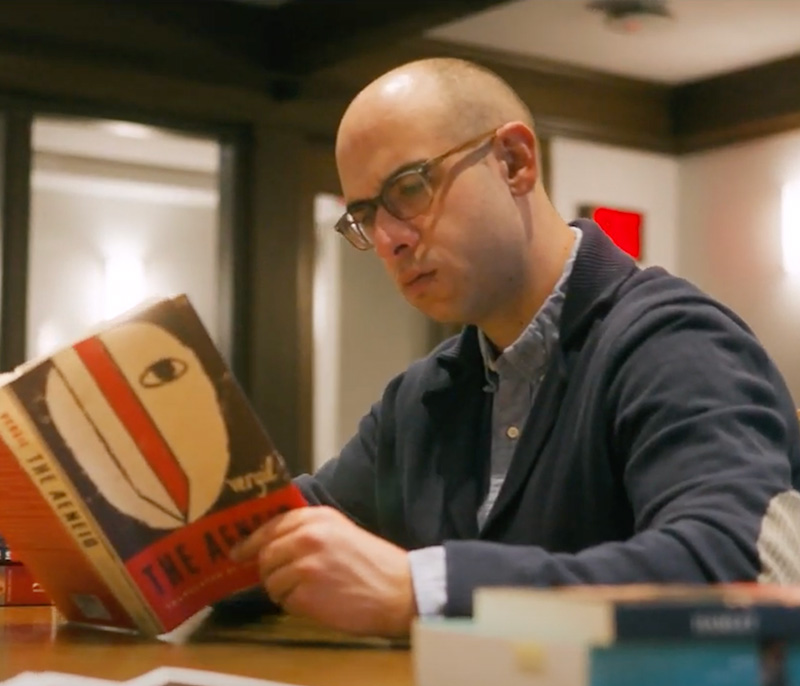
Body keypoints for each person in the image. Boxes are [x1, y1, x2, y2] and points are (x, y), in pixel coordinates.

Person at [230, 57, 800, 637]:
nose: (387, 239)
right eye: (365, 215)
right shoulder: (424, 397)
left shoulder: (677, 344)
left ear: (514, 162)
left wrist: (422, 590)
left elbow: (731, 568)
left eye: (409, 188)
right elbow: (282, 533)